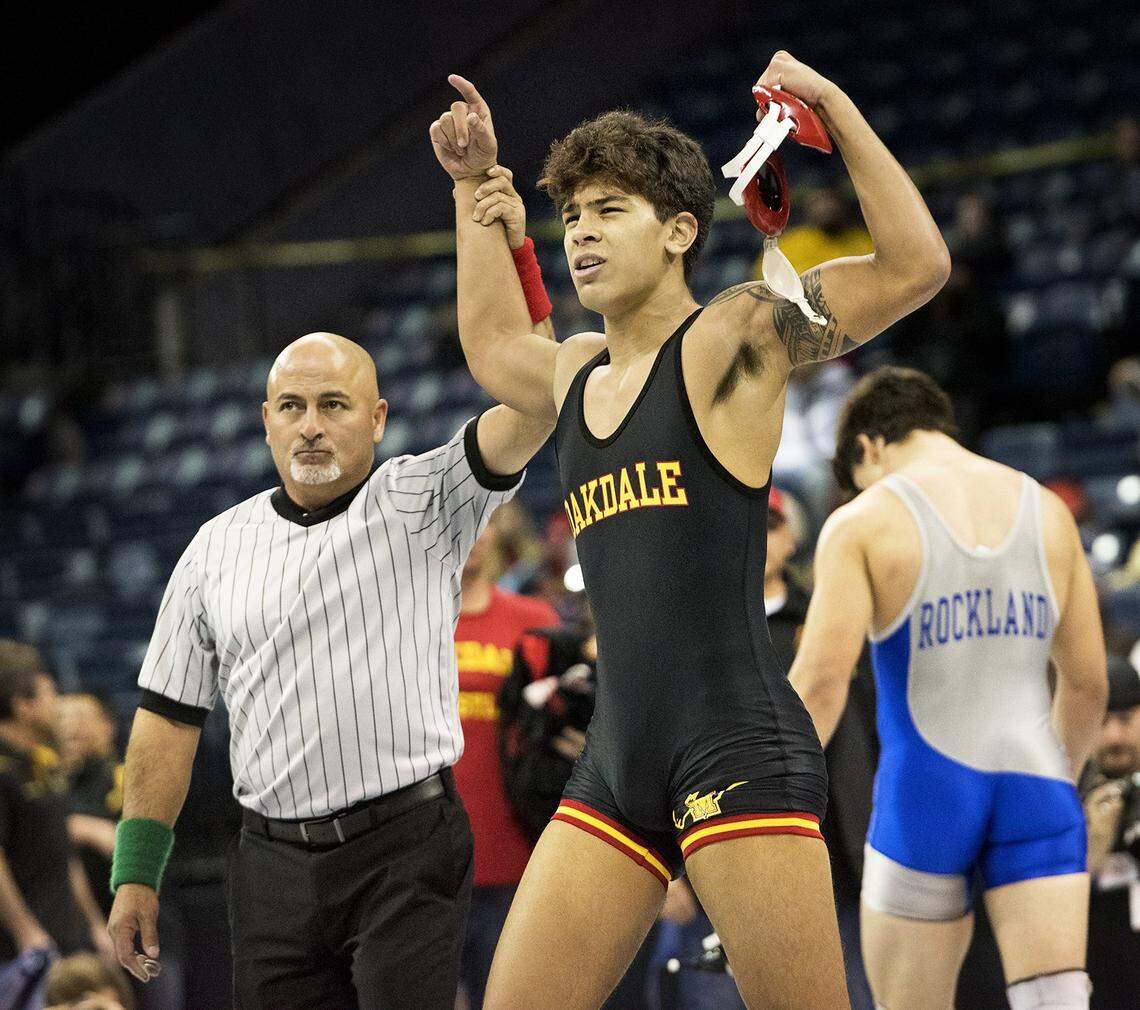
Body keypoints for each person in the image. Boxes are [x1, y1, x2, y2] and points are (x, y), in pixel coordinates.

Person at [431, 48, 949, 1007]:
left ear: (678, 231)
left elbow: (917, 265)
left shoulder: (736, 337)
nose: (581, 236)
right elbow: (497, 346)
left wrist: (831, 102)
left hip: (737, 748)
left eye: (609, 212)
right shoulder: (576, 369)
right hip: (616, 759)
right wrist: (473, 194)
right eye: (572, 216)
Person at [106, 325, 556, 1002]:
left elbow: (536, 408)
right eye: (291, 406)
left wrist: (513, 255)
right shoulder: (212, 550)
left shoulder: (425, 500)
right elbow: (168, 719)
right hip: (270, 863)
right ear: (265, 422)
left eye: (333, 405)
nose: (309, 426)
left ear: (377, 419)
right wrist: (136, 871)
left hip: (407, 848)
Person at [788, 366, 1108, 1010]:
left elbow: (820, 688)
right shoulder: (1047, 510)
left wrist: (759, 805)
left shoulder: (864, 522)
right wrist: (1056, 785)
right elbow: (1088, 686)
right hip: (1036, 785)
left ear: (867, 448)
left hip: (925, 793)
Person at [454, 514, 559, 1007]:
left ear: (497, 533)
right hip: (422, 864)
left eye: (481, 521)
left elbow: (565, 725)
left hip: (514, 853)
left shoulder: (532, 619)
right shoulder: (401, 623)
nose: (469, 535)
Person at [0, 642, 114, 968]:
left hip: (66, 936)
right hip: (18, 951)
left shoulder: (44, 766)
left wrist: (93, 923)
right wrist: (25, 931)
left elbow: (64, 855)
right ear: (23, 706)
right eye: (49, 694)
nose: (57, 705)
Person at [1080, 653, 1140, 1008]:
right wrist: (1090, 850)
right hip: (1095, 981)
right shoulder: (1062, 794)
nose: (1114, 736)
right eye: (1101, 722)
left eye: (1124, 719)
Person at [59, 693, 123, 920]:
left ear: (107, 726)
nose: (70, 726)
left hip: (129, 908)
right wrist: (81, 827)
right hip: (72, 920)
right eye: (61, 718)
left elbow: (117, 839)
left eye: (80, 717)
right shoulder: (51, 782)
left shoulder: (123, 776)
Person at [750, 185, 873, 279]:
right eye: (820, 204)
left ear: (844, 208)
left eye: (831, 203)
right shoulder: (788, 243)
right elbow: (765, 282)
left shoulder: (865, 242)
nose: (827, 209)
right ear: (809, 210)